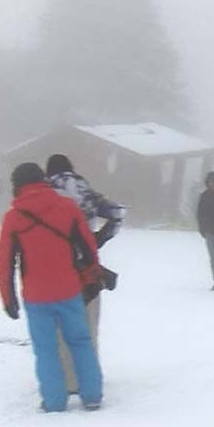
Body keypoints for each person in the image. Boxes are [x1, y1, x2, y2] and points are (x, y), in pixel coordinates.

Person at [0, 163, 103, 412]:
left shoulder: (14, 217)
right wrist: (91, 278)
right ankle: (92, 395)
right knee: (80, 342)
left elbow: (5, 262)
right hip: (69, 289)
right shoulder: (67, 207)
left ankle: (54, 401)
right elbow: (88, 247)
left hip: (36, 295)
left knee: (46, 349)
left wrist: (7, 298)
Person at [45, 154, 125, 395]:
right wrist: (96, 240)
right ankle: (89, 376)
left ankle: (68, 380)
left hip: (55, 267)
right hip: (87, 267)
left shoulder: (46, 191)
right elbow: (117, 213)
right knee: (88, 325)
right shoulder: (85, 189)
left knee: (61, 326)